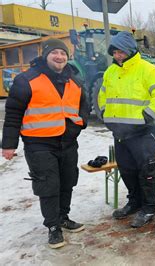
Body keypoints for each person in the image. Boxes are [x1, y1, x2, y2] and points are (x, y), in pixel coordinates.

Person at [1, 39, 89, 248]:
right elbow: (13, 114)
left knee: (67, 181)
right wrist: (8, 144)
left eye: (63, 53)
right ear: (46, 55)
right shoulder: (27, 80)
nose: (59, 57)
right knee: (48, 185)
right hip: (39, 144)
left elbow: (83, 107)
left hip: (67, 142)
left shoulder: (74, 80)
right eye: (54, 53)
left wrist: (80, 125)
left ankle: (63, 217)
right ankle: (53, 226)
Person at [97, 31, 155, 228]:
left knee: (146, 169)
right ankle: (134, 202)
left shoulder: (149, 70)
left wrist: (147, 116)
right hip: (120, 131)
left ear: (131, 50)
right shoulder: (110, 72)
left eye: (121, 52)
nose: (118, 55)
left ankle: (149, 207)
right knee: (127, 169)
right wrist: (104, 113)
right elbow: (103, 96)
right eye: (115, 52)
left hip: (145, 130)